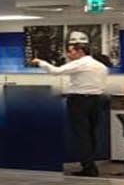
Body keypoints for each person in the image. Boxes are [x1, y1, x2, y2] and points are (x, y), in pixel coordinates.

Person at [33, 41, 110, 177]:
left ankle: (88, 168)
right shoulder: (100, 65)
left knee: (81, 134)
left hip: (80, 101)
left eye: (71, 51)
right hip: (97, 100)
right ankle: (90, 164)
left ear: (80, 51)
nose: (68, 54)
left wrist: (40, 62)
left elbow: (55, 71)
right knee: (91, 133)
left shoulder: (81, 63)